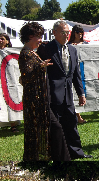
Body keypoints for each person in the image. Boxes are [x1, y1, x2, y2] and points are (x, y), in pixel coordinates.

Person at [37, 20, 92, 159]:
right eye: (63, 32)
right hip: (52, 95)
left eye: (67, 33)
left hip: (68, 95)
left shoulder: (72, 49)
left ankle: (76, 153)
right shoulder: (46, 49)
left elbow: (75, 74)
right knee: (56, 127)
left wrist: (81, 93)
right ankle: (57, 153)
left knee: (71, 124)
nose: (66, 35)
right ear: (54, 33)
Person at [19, 21, 71, 161]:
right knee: (53, 129)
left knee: (47, 130)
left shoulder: (32, 52)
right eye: (38, 37)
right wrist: (40, 67)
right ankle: (61, 158)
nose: (41, 40)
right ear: (30, 37)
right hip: (35, 101)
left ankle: (49, 157)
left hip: (40, 99)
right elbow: (26, 77)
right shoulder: (25, 54)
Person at [0, 33, 18, 135]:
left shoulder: (11, 53)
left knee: (11, 103)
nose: (0, 41)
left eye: (2, 39)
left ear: (7, 41)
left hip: (9, 82)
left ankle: (13, 125)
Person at [68, 25, 88, 125]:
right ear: (73, 33)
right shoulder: (68, 45)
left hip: (85, 71)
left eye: (81, 32)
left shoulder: (86, 44)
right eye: (77, 32)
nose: (79, 34)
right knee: (74, 94)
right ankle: (78, 116)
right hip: (73, 72)